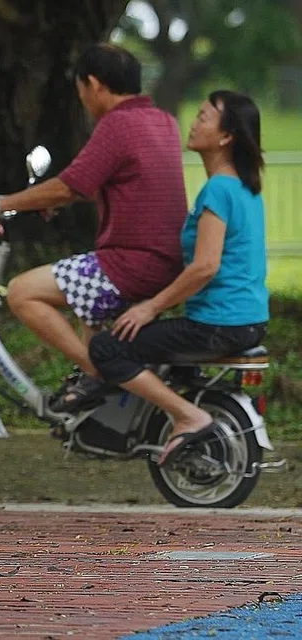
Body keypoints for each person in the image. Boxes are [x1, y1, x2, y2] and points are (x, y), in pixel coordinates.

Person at [0, 43, 188, 412]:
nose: (81, 97)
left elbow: (70, 185)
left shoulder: (116, 124)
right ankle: (106, 408)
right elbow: (122, 179)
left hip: (132, 265)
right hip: (166, 261)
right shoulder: (162, 120)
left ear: (95, 85)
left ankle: (100, 373)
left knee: (21, 292)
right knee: (86, 301)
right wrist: (54, 199)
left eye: (81, 88)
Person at [89, 90, 268, 466]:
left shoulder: (218, 189)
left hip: (217, 324)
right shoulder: (244, 188)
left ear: (225, 137)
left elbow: (205, 267)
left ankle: (189, 416)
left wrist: (149, 308)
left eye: (204, 117)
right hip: (248, 321)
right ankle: (174, 422)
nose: (193, 122)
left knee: (107, 347)